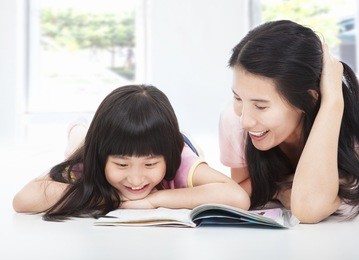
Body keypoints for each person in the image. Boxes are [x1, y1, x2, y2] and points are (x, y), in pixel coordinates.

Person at [219, 20, 359, 224]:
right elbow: (242, 193)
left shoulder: (353, 136)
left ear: (309, 98)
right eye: (238, 98)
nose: (245, 121)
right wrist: (279, 188)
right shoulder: (235, 120)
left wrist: (332, 99)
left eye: (261, 106)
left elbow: (307, 208)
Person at [13, 85, 250, 221]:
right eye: (122, 165)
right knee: (79, 142)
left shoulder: (177, 157)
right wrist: (112, 197)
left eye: (149, 165)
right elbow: (24, 200)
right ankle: (78, 131)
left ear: (166, 158)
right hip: (88, 142)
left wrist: (153, 200)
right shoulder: (91, 158)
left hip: (182, 141)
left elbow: (236, 197)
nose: (136, 180)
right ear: (101, 157)